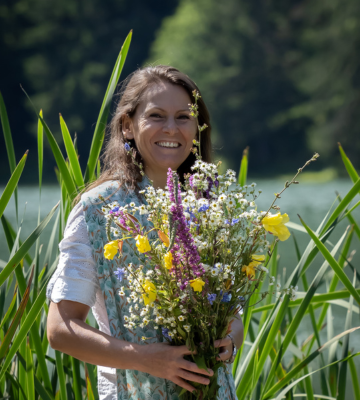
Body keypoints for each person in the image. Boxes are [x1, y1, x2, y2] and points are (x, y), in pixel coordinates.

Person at [46, 65, 244, 400]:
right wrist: (147, 360)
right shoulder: (98, 210)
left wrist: (229, 342)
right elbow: (60, 330)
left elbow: (233, 316)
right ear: (127, 126)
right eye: (156, 115)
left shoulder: (210, 203)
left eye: (184, 117)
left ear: (197, 128)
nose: (172, 128)